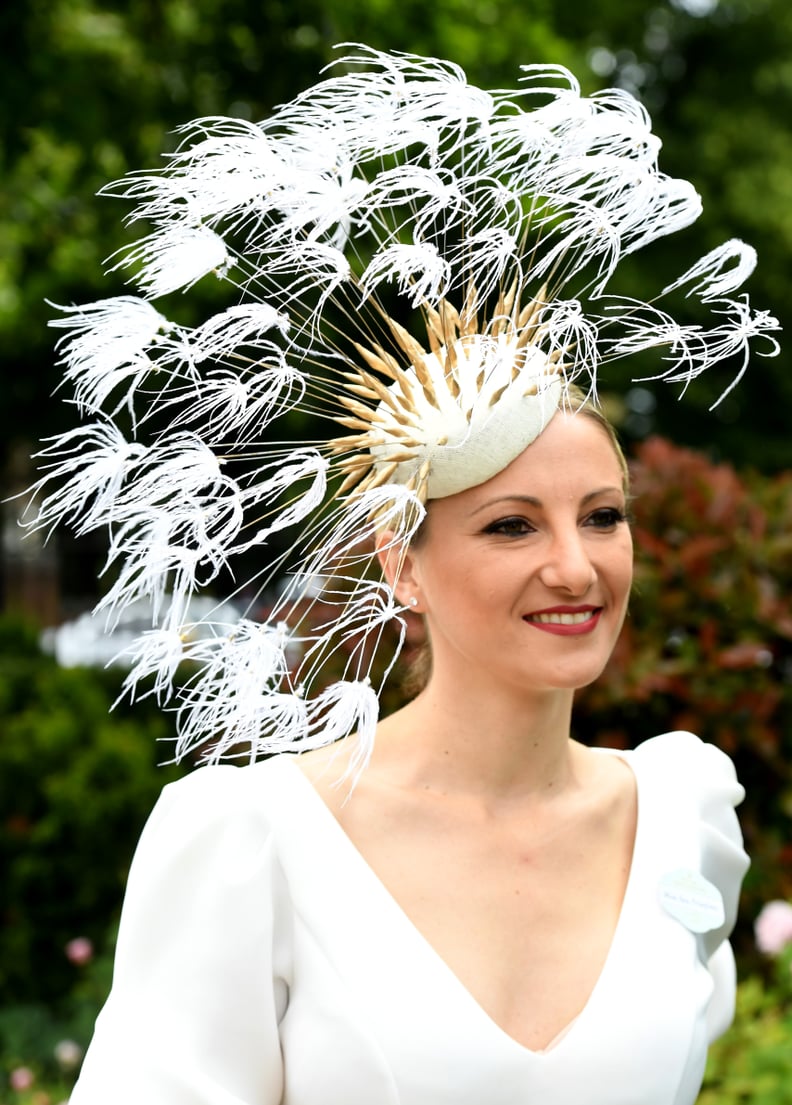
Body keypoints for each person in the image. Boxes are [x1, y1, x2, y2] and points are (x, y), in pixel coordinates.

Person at [31, 46, 777, 1105]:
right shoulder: (255, 843)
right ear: (401, 561)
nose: (576, 565)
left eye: (602, 516)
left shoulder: (683, 811)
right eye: (511, 526)